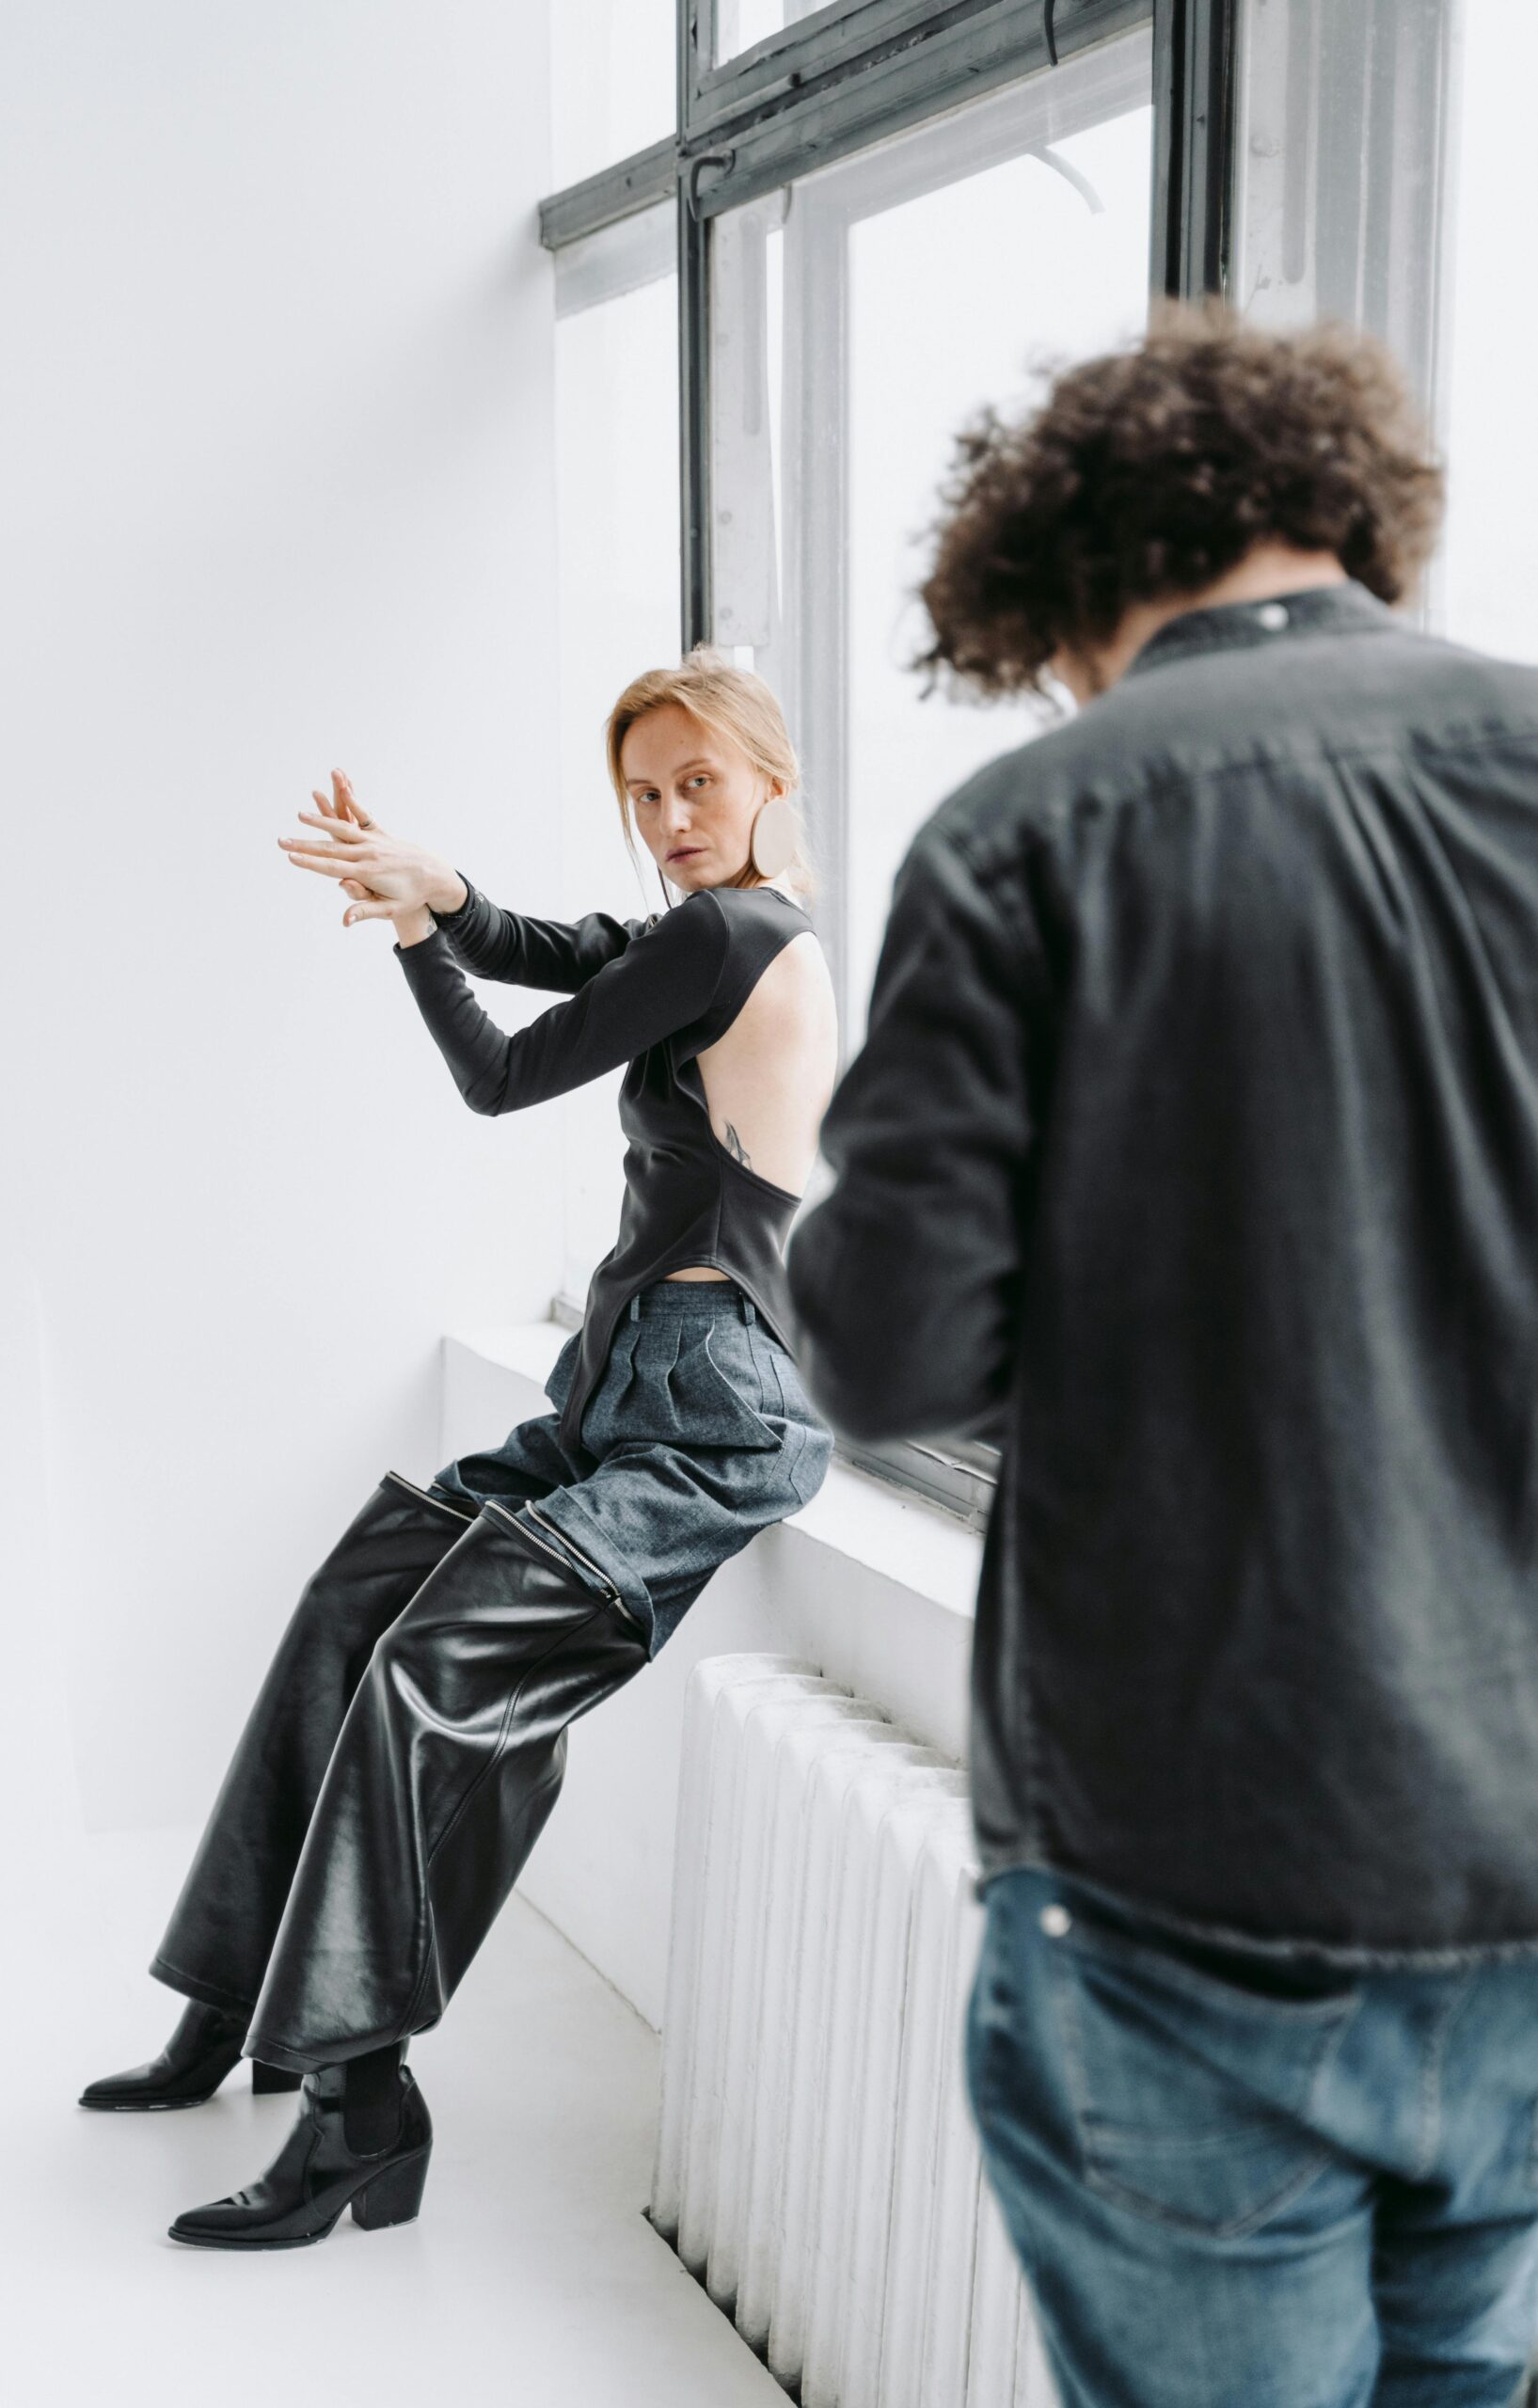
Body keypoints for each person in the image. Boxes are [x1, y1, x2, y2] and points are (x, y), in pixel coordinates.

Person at [783, 308, 1538, 2407]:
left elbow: (887, 1354)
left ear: (1059, 582)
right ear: (1344, 517)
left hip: (1202, 1870)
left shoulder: (1032, 825)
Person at [80, 648, 837, 2251]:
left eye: (700, 780)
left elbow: (505, 1071)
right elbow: (567, 950)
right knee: (352, 1603)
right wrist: (446, 892)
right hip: (614, 1390)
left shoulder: (738, 934)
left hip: (712, 1419)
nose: (669, 815)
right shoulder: (715, 937)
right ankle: (240, 2010)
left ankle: (359, 2103)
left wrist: (423, 938)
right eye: (643, 792)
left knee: (431, 1676)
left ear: (772, 777)